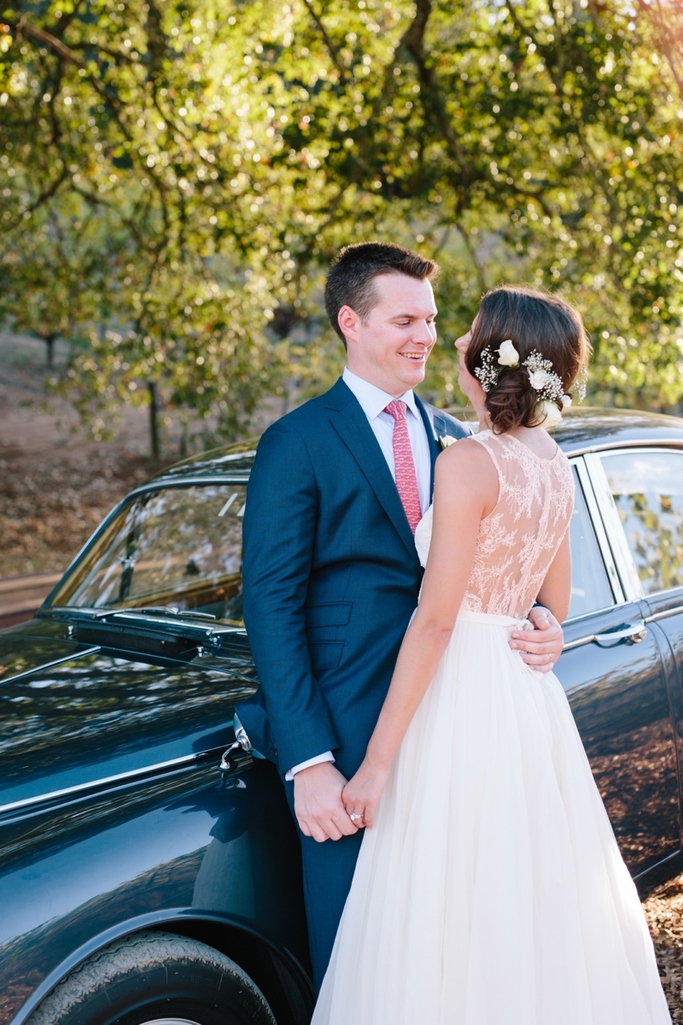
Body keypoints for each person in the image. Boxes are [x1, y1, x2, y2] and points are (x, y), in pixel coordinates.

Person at [312, 285, 672, 1025]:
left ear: (488, 359)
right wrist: (542, 625)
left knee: (445, 887)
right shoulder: (551, 460)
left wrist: (376, 763)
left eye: (465, 334)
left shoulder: (469, 462)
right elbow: (557, 602)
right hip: (519, 691)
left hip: (461, 690)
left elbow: (436, 620)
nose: (450, 344)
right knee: (520, 886)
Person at [240, 245, 566, 990]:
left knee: (457, 942)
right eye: (403, 319)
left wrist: (544, 619)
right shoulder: (296, 440)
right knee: (363, 958)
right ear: (350, 321)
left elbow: (507, 571)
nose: (424, 335)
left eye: (430, 318)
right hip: (352, 736)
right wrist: (309, 761)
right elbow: (272, 603)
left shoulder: (462, 436)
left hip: (461, 729)